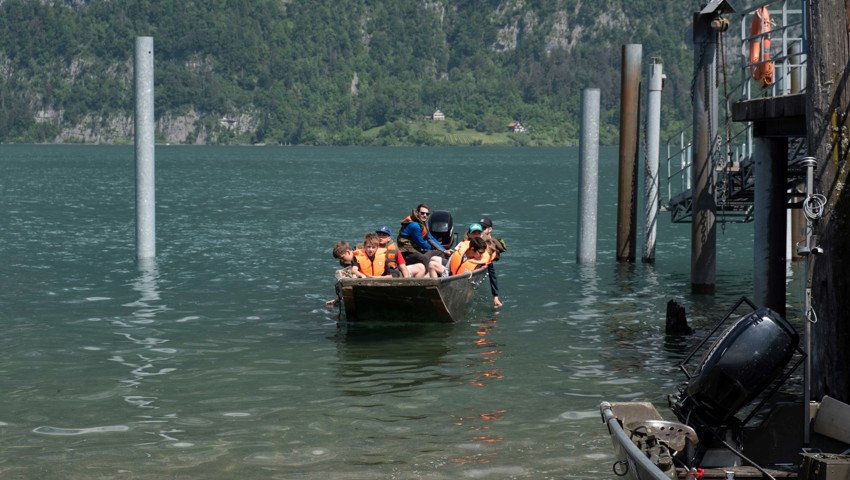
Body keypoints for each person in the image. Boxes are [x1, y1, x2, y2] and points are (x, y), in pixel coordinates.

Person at [478, 216, 506, 307]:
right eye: (479, 227)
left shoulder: (490, 248)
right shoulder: (475, 238)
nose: (480, 230)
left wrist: (495, 296)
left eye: (483, 228)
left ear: (490, 229)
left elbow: (492, 274)